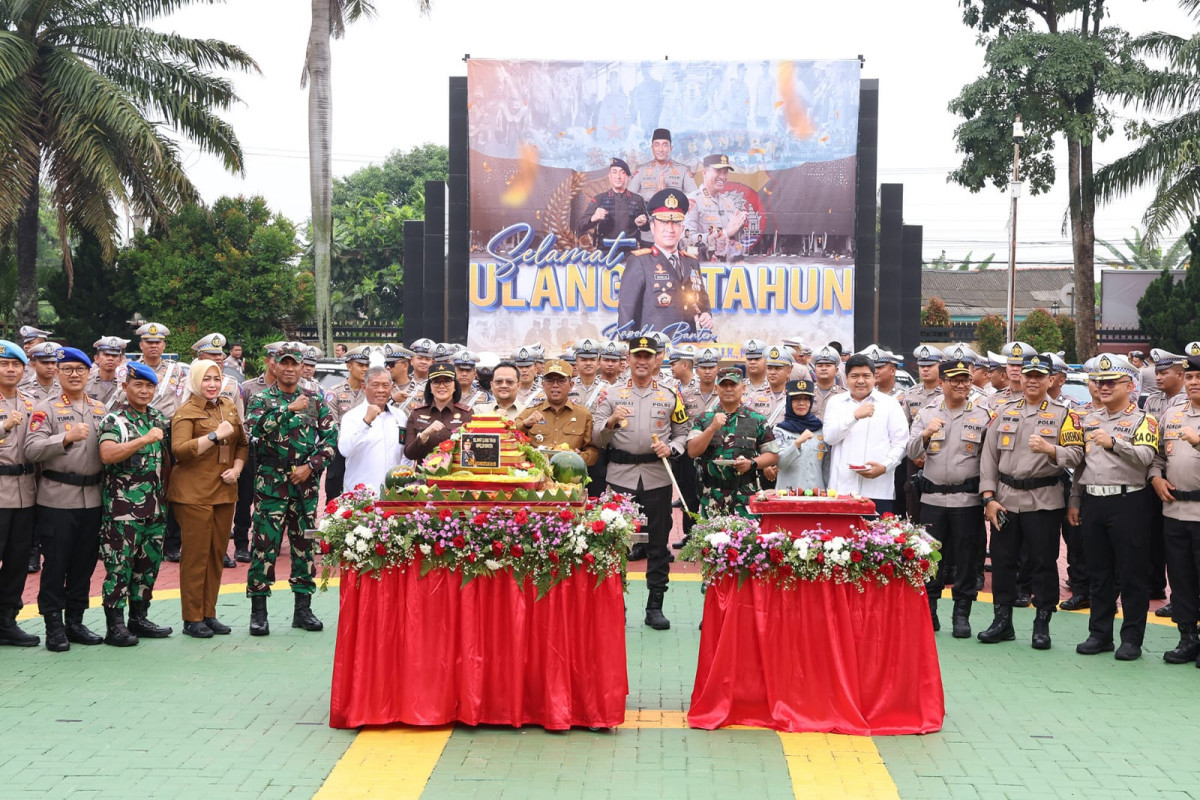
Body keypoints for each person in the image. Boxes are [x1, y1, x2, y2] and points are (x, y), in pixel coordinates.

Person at [978, 354, 1084, 650]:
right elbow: (988, 458)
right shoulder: (1003, 411)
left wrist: (1052, 450)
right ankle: (1002, 621)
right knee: (1003, 561)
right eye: (1028, 375)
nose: (1033, 380)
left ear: (1051, 380)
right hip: (1006, 499)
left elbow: (1077, 454)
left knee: (1043, 563)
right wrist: (988, 497)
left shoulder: (1065, 414)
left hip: (1044, 500)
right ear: (1020, 379)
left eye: (1040, 376)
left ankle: (1042, 622)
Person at [593, 335, 690, 630]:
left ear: (657, 359)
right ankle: (615, 605)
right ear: (629, 358)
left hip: (656, 477)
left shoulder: (671, 394)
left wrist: (672, 449)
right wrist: (610, 422)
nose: (643, 361)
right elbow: (596, 437)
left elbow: (683, 432)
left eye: (648, 356)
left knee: (658, 544)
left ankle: (654, 606)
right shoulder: (610, 395)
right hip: (619, 476)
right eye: (637, 355)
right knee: (616, 543)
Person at [1068, 354, 1158, 661]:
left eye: (1111, 382)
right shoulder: (1089, 420)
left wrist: (1114, 443)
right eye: (1099, 382)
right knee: (1099, 572)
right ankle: (1100, 634)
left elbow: (1146, 457)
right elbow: (1080, 466)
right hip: (1094, 500)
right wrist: (1076, 499)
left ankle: (1132, 638)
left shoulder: (1144, 419)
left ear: (1130, 385)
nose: (1103, 387)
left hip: (1129, 501)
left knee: (1132, 573)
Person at [245, 343, 335, 636]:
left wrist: (311, 466)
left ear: (301, 367)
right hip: (271, 484)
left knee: (304, 546)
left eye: (294, 364)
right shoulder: (261, 399)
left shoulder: (317, 401)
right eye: (283, 363)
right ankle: (258, 611)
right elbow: (255, 429)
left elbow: (331, 440)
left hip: (305, 486)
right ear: (273, 365)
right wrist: (287, 409)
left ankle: (303, 609)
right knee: (263, 546)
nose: (289, 368)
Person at [26, 347, 108, 652]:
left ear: (89, 373)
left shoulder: (99, 409)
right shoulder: (44, 408)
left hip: (93, 498)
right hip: (57, 498)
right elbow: (31, 450)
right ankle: (53, 625)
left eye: (81, 369)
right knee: (56, 564)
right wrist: (65, 437)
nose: (75, 374)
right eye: (68, 369)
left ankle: (75, 620)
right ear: (57, 373)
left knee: (83, 564)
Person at [908, 360, 994, 637]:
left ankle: (962, 614)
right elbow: (910, 452)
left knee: (968, 558)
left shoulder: (983, 415)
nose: (960, 385)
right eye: (954, 380)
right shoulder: (926, 413)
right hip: (932, 499)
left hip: (966, 499)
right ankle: (930, 611)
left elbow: (991, 459)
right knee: (932, 558)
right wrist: (925, 433)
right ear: (942, 383)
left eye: (965, 380)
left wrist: (988, 496)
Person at [97, 361, 173, 646]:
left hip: (155, 508)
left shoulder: (157, 416)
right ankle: (114, 625)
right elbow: (107, 454)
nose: (144, 391)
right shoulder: (114, 420)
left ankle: (139, 618)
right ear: (125, 386)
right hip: (123, 511)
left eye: (149, 386)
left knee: (148, 566)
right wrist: (142, 440)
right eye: (138, 385)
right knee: (119, 567)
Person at [170, 359, 247, 638]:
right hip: (194, 493)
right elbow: (179, 450)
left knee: (216, 555)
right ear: (195, 381)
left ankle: (208, 613)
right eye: (206, 379)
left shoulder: (228, 406)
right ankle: (192, 618)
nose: (212, 384)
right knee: (196, 556)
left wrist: (237, 469)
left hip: (224, 491)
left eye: (216, 379)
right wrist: (214, 436)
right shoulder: (186, 412)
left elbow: (241, 444)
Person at [1151, 353, 1200, 665]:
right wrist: (1155, 478)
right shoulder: (1173, 413)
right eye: (1191, 378)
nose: (1194, 383)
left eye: (1199, 379)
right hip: (1175, 511)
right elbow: (1156, 455)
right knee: (1180, 578)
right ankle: (1187, 637)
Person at [616, 188, 713, 341]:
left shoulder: (691, 262)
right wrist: (628, 355)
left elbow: (701, 300)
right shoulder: (640, 261)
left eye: (675, 223)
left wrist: (705, 313)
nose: (670, 228)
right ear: (653, 227)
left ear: (682, 228)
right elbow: (626, 313)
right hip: (653, 353)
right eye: (663, 222)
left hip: (687, 351)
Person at [688, 364, 780, 518]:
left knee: (746, 540)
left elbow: (773, 455)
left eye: (733, 384)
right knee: (710, 540)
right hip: (712, 495)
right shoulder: (704, 418)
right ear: (717, 389)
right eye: (724, 385)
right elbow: (692, 451)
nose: (729, 389)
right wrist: (711, 428)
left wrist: (752, 464)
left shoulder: (756, 419)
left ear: (743, 388)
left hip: (745, 494)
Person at [822, 354, 908, 512]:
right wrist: (854, 416)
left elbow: (901, 443)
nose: (860, 381)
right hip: (842, 489)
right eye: (855, 376)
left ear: (874, 378)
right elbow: (830, 438)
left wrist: (884, 466)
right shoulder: (836, 402)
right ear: (846, 378)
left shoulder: (889, 404)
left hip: (878, 489)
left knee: (878, 535)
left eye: (866, 376)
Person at [0, 340, 38, 647]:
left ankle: (6, 620)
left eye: (16, 365)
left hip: (26, 491)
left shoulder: (31, 402)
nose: (10, 369)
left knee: (17, 559)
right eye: (4, 364)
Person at [516, 359, 599, 465]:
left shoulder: (583, 414)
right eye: (550, 380)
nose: (555, 385)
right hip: (537, 474)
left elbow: (593, 451)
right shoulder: (530, 413)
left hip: (570, 475)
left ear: (571, 385)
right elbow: (512, 436)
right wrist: (525, 424)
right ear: (543, 384)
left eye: (561, 380)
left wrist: (578, 458)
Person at [339, 366, 409, 491]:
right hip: (362, 496)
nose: (381, 390)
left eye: (385, 385)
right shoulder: (352, 417)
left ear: (392, 388)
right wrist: (366, 422)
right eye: (375, 385)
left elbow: (404, 453)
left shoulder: (400, 416)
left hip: (393, 494)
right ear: (364, 387)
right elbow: (345, 450)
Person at [403, 362, 473, 463]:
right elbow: (409, 454)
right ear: (430, 387)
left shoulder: (467, 414)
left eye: (447, 381)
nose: (441, 386)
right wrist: (424, 435)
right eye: (436, 381)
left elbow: (471, 452)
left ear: (455, 386)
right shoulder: (416, 413)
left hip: (455, 476)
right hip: (424, 477)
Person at [684, 154, 749, 262]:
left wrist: (739, 227)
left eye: (725, 172)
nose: (723, 177)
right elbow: (686, 240)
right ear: (704, 172)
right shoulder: (692, 200)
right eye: (718, 171)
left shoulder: (728, 202)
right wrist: (724, 234)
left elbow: (733, 240)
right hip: (702, 267)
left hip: (726, 267)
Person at [576, 157, 649, 251]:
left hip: (631, 253)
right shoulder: (599, 199)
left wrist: (644, 223)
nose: (618, 176)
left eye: (622, 172)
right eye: (614, 172)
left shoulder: (638, 200)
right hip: (605, 252)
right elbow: (579, 226)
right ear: (609, 176)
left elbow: (646, 228)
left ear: (628, 177)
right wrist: (593, 218)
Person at [773, 379, 828, 492]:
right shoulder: (780, 430)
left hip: (817, 494)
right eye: (796, 399)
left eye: (806, 399)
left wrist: (828, 491)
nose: (801, 403)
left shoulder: (820, 429)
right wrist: (797, 443)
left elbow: (827, 466)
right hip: (788, 495)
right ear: (789, 401)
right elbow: (781, 463)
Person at [628, 128, 698, 207]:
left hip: (675, 216)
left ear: (671, 148)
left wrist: (670, 196)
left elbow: (695, 196)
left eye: (665, 145)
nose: (660, 149)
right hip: (648, 217)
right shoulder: (641, 170)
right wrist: (653, 195)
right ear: (652, 148)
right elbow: (629, 196)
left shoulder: (683, 170)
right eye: (657, 145)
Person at [86, 336, 130, 408]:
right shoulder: (85, 382)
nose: (110, 358)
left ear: (120, 360)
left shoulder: (124, 383)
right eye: (106, 355)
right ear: (96, 358)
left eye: (114, 355)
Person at [809, 345, 846, 419]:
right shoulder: (807, 392)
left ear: (836, 370)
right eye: (820, 366)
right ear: (814, 371)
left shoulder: (844, 395)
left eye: (828, 365)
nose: (824, 369)